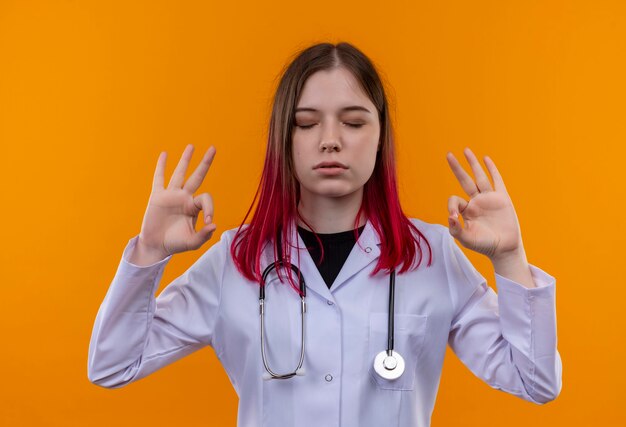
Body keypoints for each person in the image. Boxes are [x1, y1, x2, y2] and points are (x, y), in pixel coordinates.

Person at [87, 42, 562, 427]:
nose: (330, 139)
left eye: (353, 122)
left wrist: (510, 258)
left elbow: (535, 382)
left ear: (380, 136)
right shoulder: (236, 259)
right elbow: (112, 366)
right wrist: (150, 252)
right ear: (283, 139)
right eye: (307, 123)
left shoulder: (431, 254)